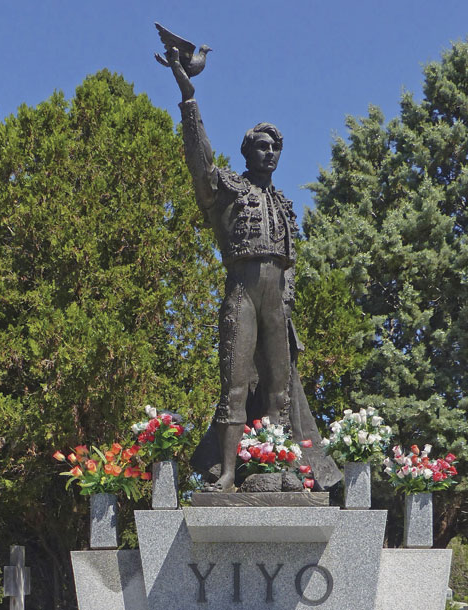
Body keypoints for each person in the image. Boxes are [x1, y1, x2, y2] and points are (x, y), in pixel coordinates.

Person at [165, 47, 340, 492]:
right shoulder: (228, 189)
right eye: (262, 146)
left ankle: (281, 469)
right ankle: (226, 474)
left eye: (275, 147)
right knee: (235, 388)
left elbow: (290, 265)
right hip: (242, 295)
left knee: (281, 391)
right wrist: (189, 99)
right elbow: (200, 163)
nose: (270, 153)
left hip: (276, 304)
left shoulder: (283, 203)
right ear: (247, 152)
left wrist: (287, 304)